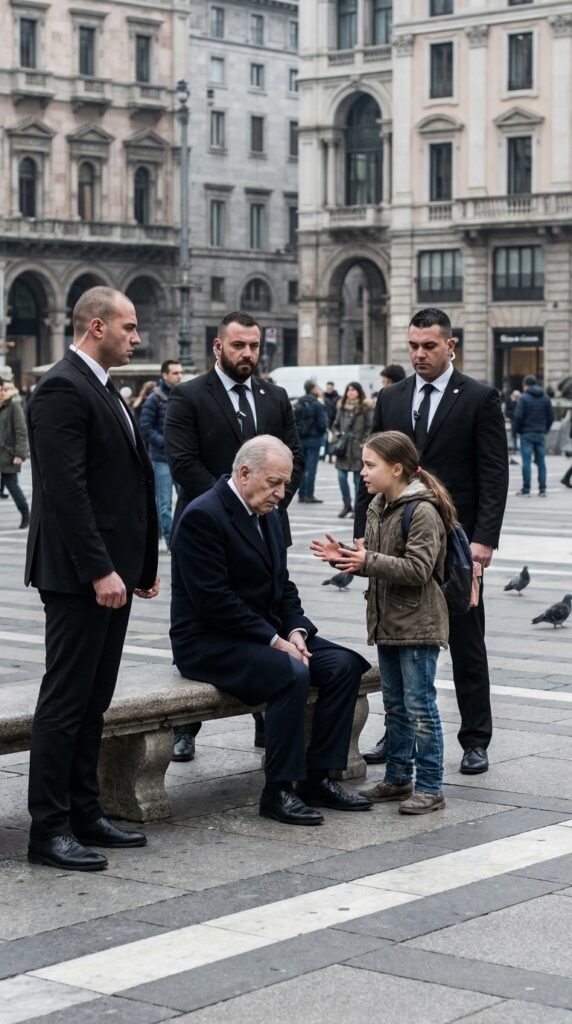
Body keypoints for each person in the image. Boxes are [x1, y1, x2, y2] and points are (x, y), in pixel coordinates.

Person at [24, 286, 160, 872]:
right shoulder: (61, 387)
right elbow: (66, 491)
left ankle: (85, 812)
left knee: (94, 700)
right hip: (82, 576)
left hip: (114, 573)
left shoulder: (103, 387)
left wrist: (141, 566)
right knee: (66, 700)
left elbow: (125, 484)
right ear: (96, 326)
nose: (137, 337)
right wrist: (101, 568)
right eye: (129, 328)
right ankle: (49, 827)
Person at [170, 435, 373, 824]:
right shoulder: (203, 516)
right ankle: (278, 789)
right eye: (274, 483)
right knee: (290, 673)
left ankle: (318, 777)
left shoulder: (269, 513)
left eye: (285, 484)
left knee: (344, 665)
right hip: (209, 641)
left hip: (267, 631)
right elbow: (214, 602)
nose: (282, 494)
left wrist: (296, 630)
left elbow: (282, 585)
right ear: (244, 474)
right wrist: (276, 641)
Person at [355, 307, 508, 776]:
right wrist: (364, 533)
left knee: (466, 640)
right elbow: (376, 470)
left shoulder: (479, 397)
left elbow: (493, 472)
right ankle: (396, 735)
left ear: (450, 346)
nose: (420, 354)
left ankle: (475, 739)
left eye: (429, 346)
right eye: (414, 347)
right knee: (398, 639)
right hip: (397, 543)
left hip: (458, 544)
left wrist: (484, 540)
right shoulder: (393, 397)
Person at [164, 311, 304, 762]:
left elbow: (294, 456)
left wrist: (272, 499)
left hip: (268, 523)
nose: (248, 354)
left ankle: (270, 719)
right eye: (238, 345)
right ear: (217, 346)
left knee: (267, 609)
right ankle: (184, 727)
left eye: (254, 346)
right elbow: (183, 464)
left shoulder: (275, 395)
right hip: (205, 528)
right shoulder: (188, 396)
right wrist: (231, 510)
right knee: (208, 615)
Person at [311, 431, 451, 813]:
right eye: (363, 464)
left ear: (397, 468)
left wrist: (366, 561)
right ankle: (397, 778)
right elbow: (374, 559)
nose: (363, 472)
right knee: (395, 707)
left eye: (370, 465)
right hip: (386, 621)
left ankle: (430, 785)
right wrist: (345, 557)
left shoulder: (421, 510)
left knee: (420, 706)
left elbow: (419, 569)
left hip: (418, 624)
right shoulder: (378, 505)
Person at [140, 359, 184, 547]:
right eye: (175, 373)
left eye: (180, 373)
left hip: (180, 458)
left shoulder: (182, 396)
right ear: (164, 375)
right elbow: (146, 427)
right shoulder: (153, 398)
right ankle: (170, 540)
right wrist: (166, 444)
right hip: (161, 459)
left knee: (186, 499)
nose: (179, 376)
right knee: (164, 504)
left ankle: (185, 538)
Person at [333, 381, 372, 518]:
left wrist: (364, 443)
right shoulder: (342, 406)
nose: (350, 392)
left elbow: (369, 427)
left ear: (359, 392)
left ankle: (357, 507)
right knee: (341, 477)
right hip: (343, 448)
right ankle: (346, 504)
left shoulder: (365, 407)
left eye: (353, 390)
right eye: (348, 389)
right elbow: (336, 424)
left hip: (358, 448)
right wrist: (338, 436)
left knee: (358, 480)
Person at [513, 375, 554, 497]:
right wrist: (544, 429)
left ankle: (526, 489)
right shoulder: (545, 397)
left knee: (526, 462)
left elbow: (518, 417)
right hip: (540, 433)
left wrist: (517, 431)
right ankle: (542, 489)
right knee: (541, 462)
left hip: (527, 433)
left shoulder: (523, 398)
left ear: (526, 385)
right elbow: (551, 416)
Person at [0, 379, 30, 528]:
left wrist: (20, 453)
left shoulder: (13, 405)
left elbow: (21, 431)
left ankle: (25, 513)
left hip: (8, 454)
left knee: (12, 485)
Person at [294, 380, 328, 503]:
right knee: (311, 468)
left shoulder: (298, 402)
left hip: (300, 439)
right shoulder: (317, 404)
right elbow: (322, 424)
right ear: (313, 389)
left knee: (301, 467)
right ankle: (309, 494)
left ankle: (301, 494)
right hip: (314, 439)